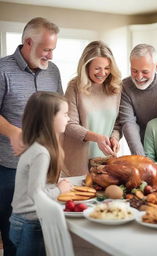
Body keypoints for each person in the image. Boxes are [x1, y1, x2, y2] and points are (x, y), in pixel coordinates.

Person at [0, 17, 63, 256]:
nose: (51, 56)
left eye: (53, 49)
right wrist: (13, 131)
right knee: (13, 236)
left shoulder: (53, 72)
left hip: (45, 166)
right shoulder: (2, 70)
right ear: (28, 42)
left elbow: (58, 114)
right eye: (46, 49)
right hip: (8, 168)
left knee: (41, 234)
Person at [9, 91, 73, 256]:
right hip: (29, 223)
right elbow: (35, 194)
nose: (68, 118)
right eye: (65, 114)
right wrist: (59, 190)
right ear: (50, 119)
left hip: (23, 221)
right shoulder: (41, 153)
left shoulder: (38, 148)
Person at [63, 41, 122, 176]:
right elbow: (68, 124)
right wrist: (97, 138)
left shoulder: (116, 87)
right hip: (77, 161)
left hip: (105, 162)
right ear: (86, 66)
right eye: (97, 68)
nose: (103, 73)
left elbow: (118, 123)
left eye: (107, 68)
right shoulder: (74, 87)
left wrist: (114, 138)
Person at [112, 43, 157, 156]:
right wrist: (141, 158)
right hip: (142, 149)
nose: (139, 77)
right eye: (134, 71)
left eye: (145, 72)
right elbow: (128, 123)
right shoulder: (124, 87)